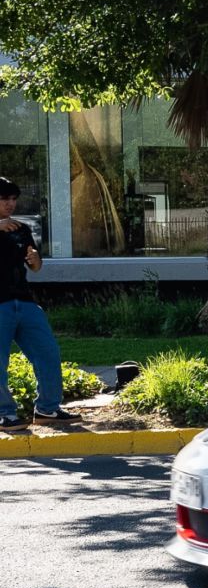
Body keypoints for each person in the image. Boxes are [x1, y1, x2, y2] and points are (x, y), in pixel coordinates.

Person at [0, 177, 79, 432]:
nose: (10, 204)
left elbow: (35, 266)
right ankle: (4, 414)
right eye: (4, 199)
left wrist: (35, 260)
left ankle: (47, 408)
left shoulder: (21, 229)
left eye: (13, 199)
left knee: (48, 352)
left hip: (24, 302)